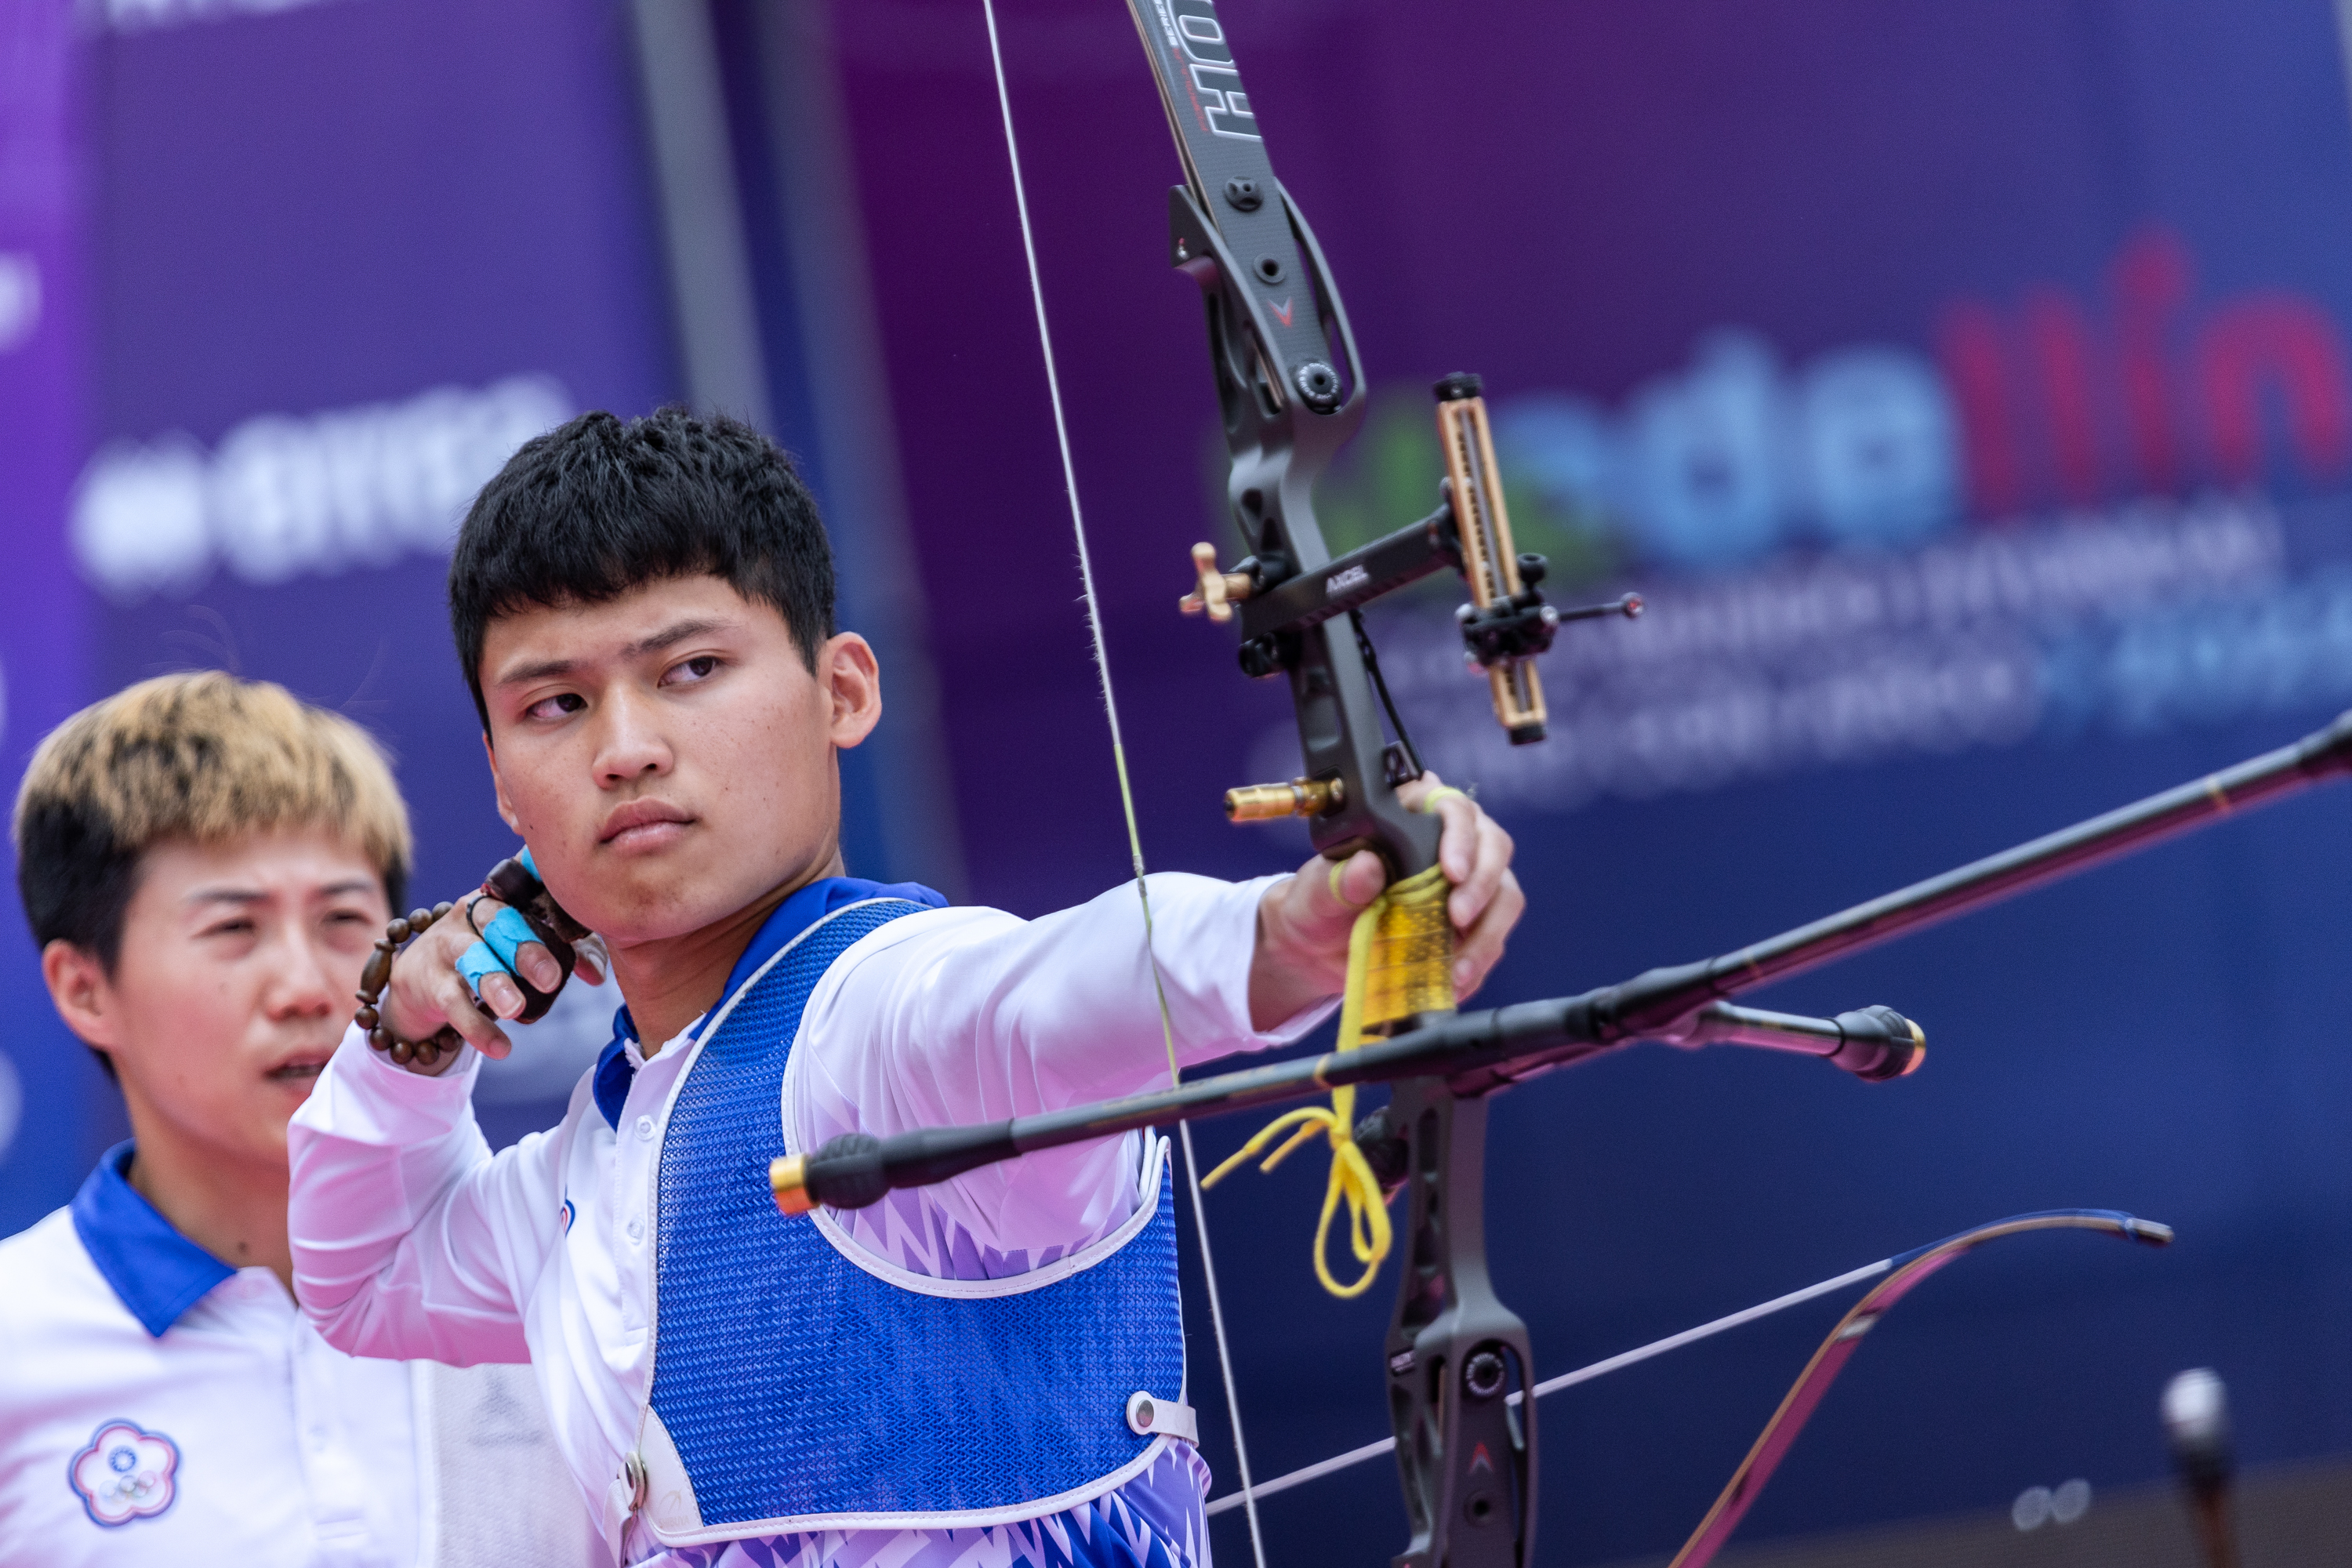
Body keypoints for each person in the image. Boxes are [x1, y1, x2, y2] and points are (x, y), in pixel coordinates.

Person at [285, 408, 1525, 1567]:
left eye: (691, 670)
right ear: (503, 782)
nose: (624, 749)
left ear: (843, 692)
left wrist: (1295, 938)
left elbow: (1045, 998)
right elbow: (363, 1280)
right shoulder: (592, 1160)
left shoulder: (878, 1021)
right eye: (556, 705)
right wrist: (405, 1033)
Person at [0, 671, 597, 1566]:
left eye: (343, 918)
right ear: (85, 988)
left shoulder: (548, 1268)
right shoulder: (19, 1339)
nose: (310, 987)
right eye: (233, 929)